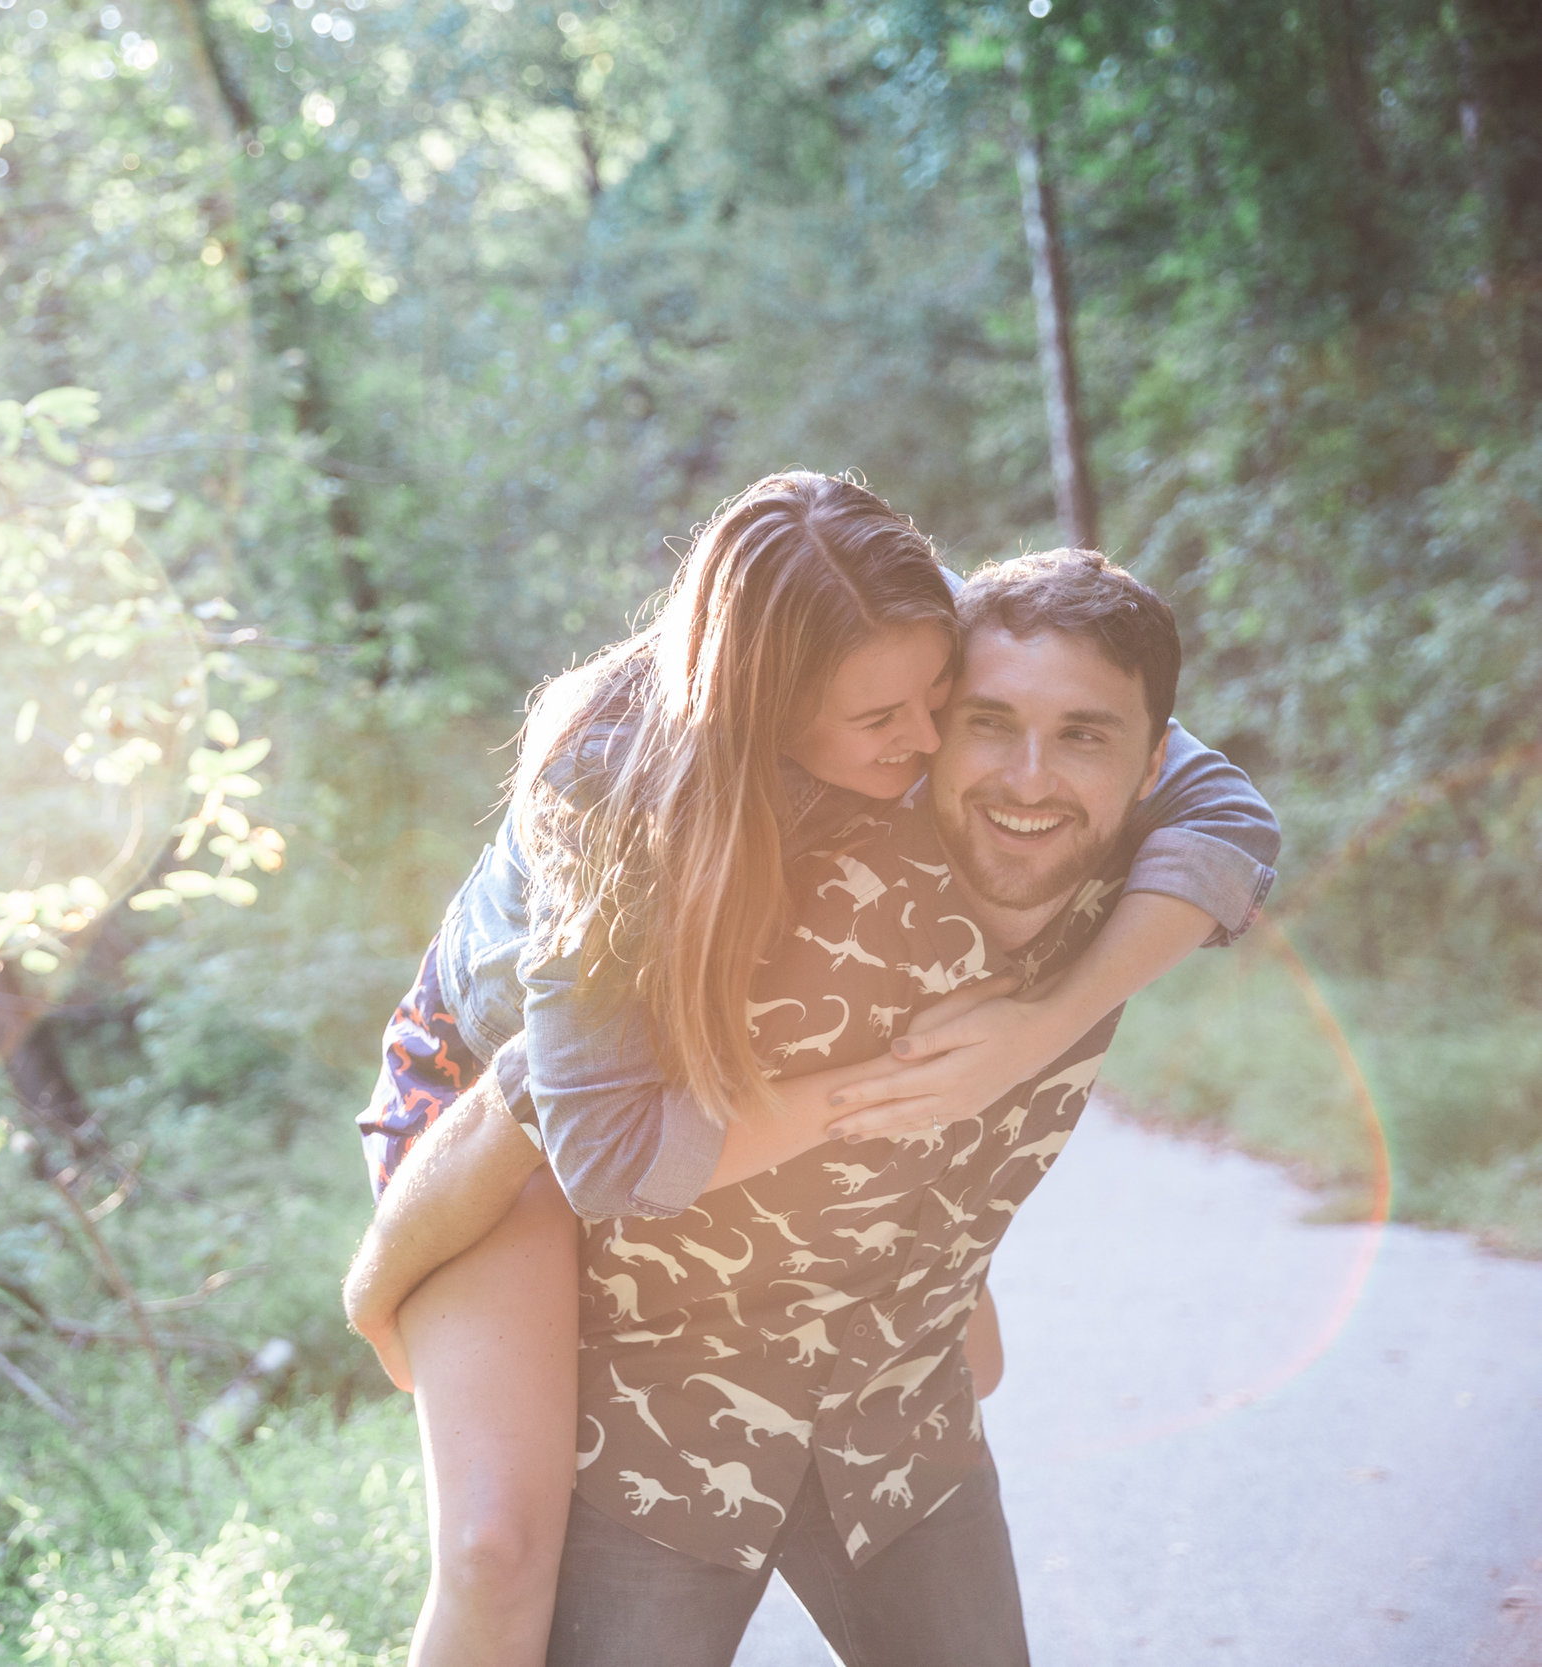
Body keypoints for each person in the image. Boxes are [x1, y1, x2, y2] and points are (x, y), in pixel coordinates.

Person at [342, 479, 1276, 1666]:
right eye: (888, 716)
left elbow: (1221, 803)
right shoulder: (609, 793)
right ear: (766, 711)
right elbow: (595, 1146)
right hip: (503, 1090)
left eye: (936, 697)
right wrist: (384, 1275)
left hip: (678, 1128)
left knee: (957, 1359)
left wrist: (1029, 1032)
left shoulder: (926, 647)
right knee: (493, 1545)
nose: (933, 738)